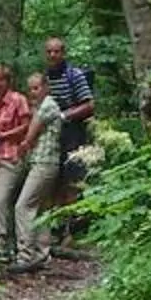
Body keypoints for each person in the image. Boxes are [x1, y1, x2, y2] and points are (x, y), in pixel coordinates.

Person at [10, 72, 65, 269]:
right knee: (41, 208)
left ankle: (25, 255)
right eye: (30, 89)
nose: (33, 92)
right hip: (47, 163)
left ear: (46, 87)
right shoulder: (43, 106)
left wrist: (22, 146)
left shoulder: (48, 105)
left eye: (36, 88)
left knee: (23, 206)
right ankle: (42, 254)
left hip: (44, 163)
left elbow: (30, 136)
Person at [0, 64, 33, 259]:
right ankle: (9, 244)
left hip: (12, 156)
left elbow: (27, 126)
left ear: (8, 81)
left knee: (0, 199)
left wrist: (3, 135)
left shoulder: (18, 100)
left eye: (1, 79)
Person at [40, 36, 95, 210]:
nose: (52, 55)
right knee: (52, 180)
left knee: (73, 179)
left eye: (56, 51)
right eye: (49, 52)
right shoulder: (45, 78)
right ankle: (54, 228)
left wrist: (64, 116)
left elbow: (89, 105)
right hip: (50, 136)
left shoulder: (74, 75)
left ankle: (73, 226)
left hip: (73, 133)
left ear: (63, 53)